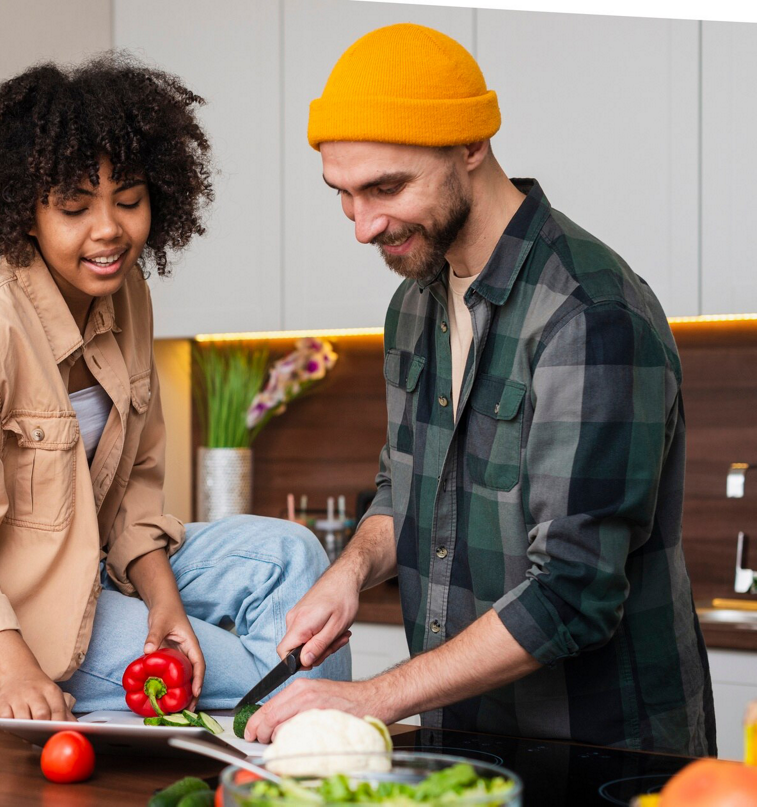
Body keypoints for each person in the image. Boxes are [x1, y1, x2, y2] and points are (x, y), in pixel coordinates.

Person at [246, 23, 715, 756]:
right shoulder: (414, 305)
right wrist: (349, 572)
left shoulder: (589, 312)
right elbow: (403, 488)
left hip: (600, 755)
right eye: (343, 194)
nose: (364, 225)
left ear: (471, 145)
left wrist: (371, 696)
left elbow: (572, 593)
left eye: (386, 188)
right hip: (465, 743)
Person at [0, 54, 350, 721]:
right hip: (11, 622)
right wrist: (16, 671)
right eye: (75, 207)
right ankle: (311, 750)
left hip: (100, 573)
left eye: (128, 200)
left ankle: (290, 744)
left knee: (293, 553)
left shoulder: (127, 295)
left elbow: (135, 488)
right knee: (276, 676)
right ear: (26, 214)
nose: (109, 229)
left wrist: (164, 602)